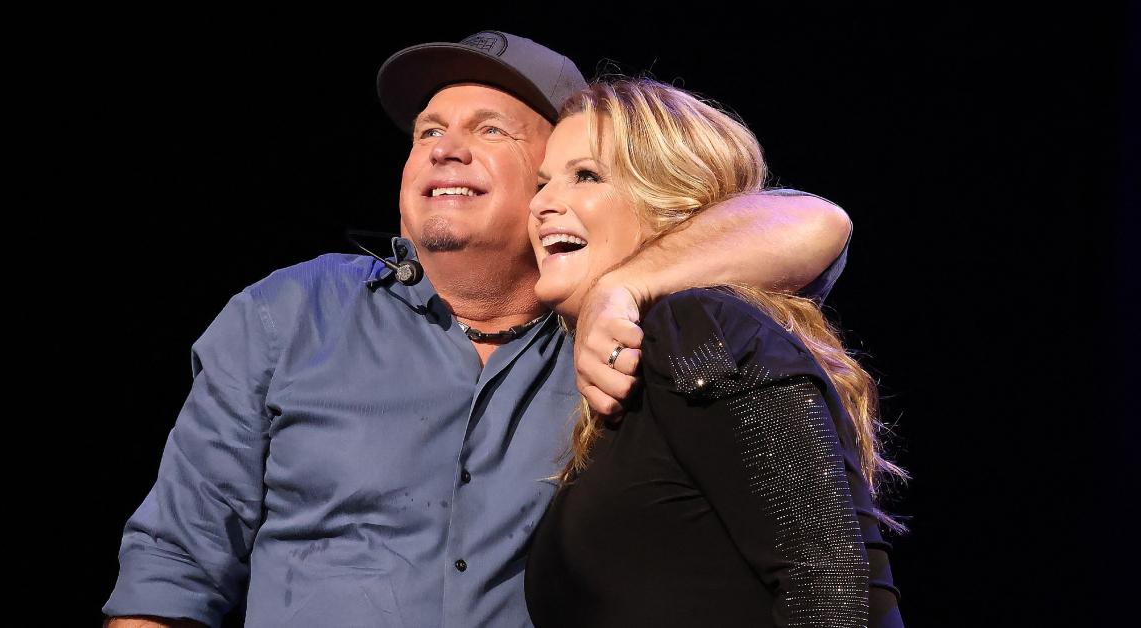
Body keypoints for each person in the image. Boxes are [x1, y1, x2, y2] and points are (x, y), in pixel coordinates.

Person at [103, 32, 853, 627]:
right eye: (427, 130)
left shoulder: (621, 329)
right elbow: (173, 566)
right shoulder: (287, 315)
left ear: (553, 176)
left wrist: (625, 285)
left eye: (488, 128)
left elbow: (816, 221)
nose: (443, 146)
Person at [524, 79, 904, 627]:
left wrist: (625, 285)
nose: (541, 204)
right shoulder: (643, 365)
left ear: (672, 204)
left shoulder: (696, 327)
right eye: (542, 183)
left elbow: (837, 593)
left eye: (586, 175)